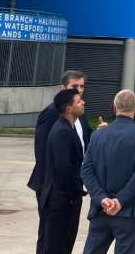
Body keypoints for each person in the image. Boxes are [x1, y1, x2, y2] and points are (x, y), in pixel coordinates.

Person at [29, 71, 106, 253]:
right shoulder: (52, 114)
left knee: (66, 238)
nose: (79, 91)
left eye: (82, 87)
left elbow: (82, 143)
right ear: (63, 88)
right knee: (50, 240)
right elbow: (43, 152)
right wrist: (55, 186)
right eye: (75, 87)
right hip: (54, 187)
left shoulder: (79, 115)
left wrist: (100, 134)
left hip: (72, 186)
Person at [81, 90, 135, 254]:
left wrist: (102, 198)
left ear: (114, 108)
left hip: (101, 209)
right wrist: (120, 201)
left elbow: (86, 170)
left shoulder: (98, 135)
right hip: (130, 210)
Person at [40, 88, 88, 254]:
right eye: (78, 101)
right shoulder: (62, 131)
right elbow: (63, 168)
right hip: (61, 201)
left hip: (65, 199)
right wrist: (76, 191)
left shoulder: (68, 128)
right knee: (57, 247)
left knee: (63, 246)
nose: (83, 102)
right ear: (68, 108)